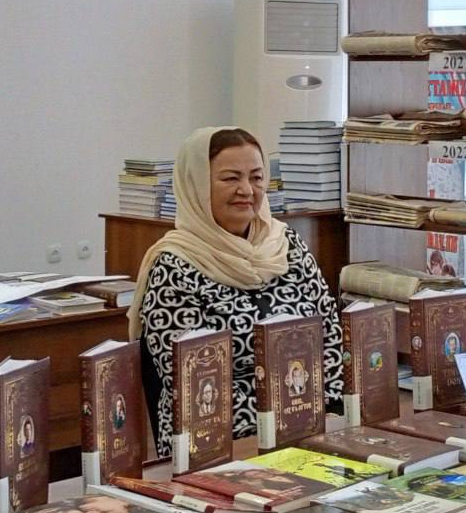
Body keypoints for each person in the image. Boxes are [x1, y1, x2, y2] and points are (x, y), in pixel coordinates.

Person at [130, 126, 344, 457]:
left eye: (256, 178)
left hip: (308, 421)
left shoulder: (287, 246)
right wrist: (278, 422)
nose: (246, 190)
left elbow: (330, 336)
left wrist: (329, 410)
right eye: (231, 178)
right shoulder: (174, 267)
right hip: (217, 439)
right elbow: (193, 381)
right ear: (197, 186)